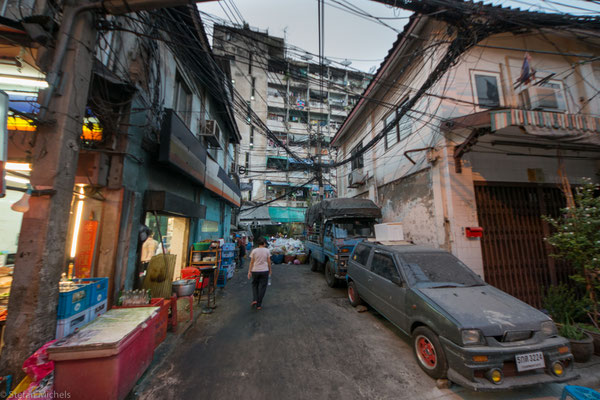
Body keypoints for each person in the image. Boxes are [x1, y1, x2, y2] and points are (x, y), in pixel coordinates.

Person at [247, 237, 271, 310]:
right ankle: (259, 304)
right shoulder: (267, 251)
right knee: (263, 287)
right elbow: (269, 262)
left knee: (255, 285)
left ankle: (255, 299)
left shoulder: (254, 251)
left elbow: (251, 262)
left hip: (255, 270)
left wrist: (249, 271)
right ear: (264, 243)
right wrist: (270, 270)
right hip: (264, 270)